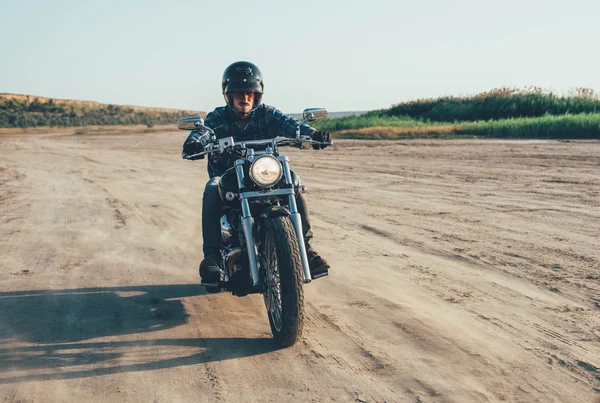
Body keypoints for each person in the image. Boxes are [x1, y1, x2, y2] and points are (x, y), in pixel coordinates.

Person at [182, 61, 332, 283]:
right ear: (228, 95)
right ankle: (211, 257)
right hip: (228, 177)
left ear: (257, 94)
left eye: (250, 92)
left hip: (264, 174)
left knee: (293, 180)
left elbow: (293, 126)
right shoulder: (218, 117)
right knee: (212, 188)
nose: (245, 97)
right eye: (239, 93)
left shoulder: (268, 114)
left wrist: (314, 135)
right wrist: (194, 143)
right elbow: (203, 133)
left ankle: (306, 251)